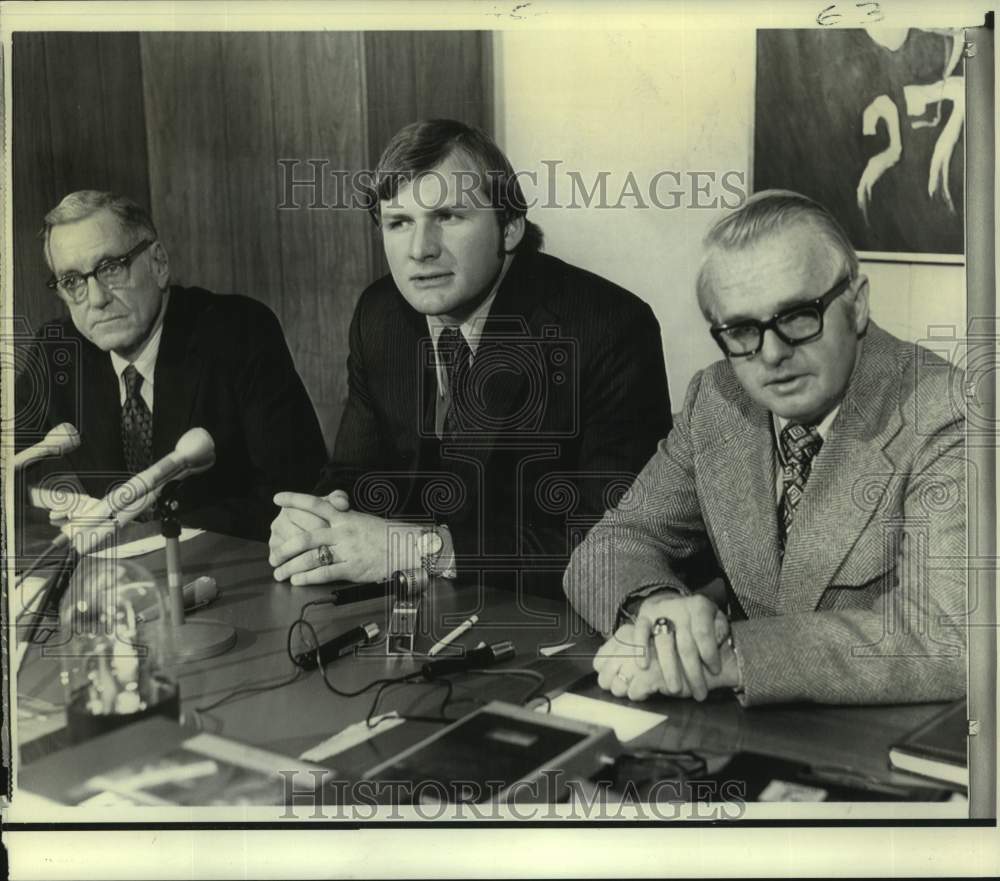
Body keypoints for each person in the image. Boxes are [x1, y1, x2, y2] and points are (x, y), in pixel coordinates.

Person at [565, 190, 966, 706]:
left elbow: (952, 633)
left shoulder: (948, 412)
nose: (772, 353)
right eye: (743, 330)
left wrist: (730, 653)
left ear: (858, 303)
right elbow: (608, 547)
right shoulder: (718, 398)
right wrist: (660, 612)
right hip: (750, 734)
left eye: (799, 316)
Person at [268, 119, 671, 597]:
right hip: (412, 611)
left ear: (510, 227)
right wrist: (314, 522)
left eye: (449, 218)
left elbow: (616, 542)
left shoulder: (607, 327)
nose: (421, 250)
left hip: (548, 623)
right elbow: (355, 475)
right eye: (399, 223)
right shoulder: (380, 315)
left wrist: (414, 548)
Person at [15, 190, 326, 542]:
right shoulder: (58, 350)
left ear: (159, 263)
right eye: (73, 282)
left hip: (229, 570)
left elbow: (296, 493)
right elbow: (15, 476)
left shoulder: (238, 332)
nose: (97, 299)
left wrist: (152, 535)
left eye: (111, 269)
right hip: (117, 580)